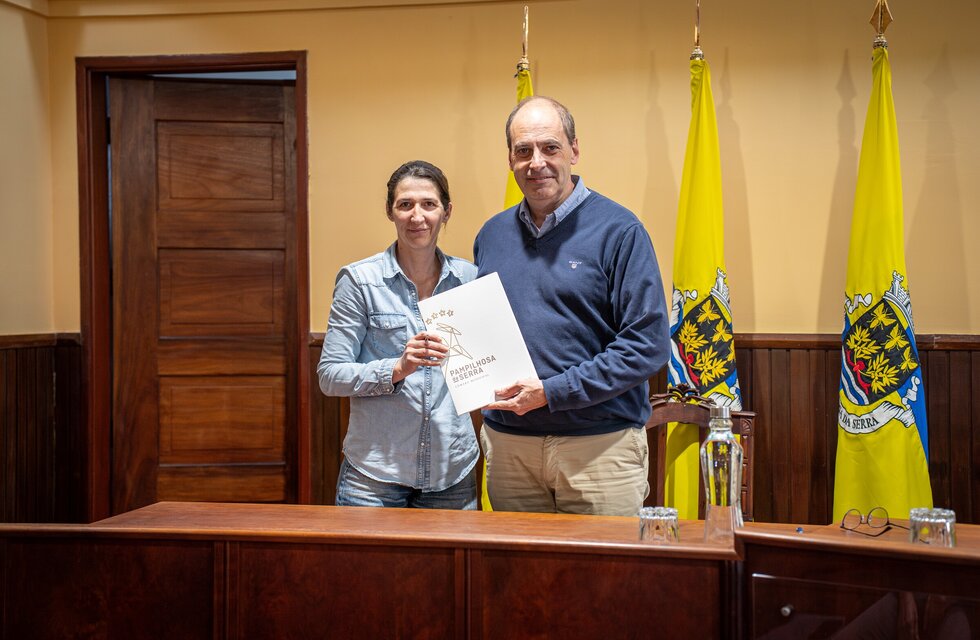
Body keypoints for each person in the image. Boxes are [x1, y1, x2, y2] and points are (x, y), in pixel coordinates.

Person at [473, 96, 670, 516]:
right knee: (515, 561)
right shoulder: (491, 235)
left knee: (603, 562)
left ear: (574, 150)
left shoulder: (620, 231)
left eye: (550, 147)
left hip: (600, 450)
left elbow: (647, 346)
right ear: (509, 159)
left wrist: (551, 393)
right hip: (510, 450)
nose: (536, 162)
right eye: (523, 151)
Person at [317, 160, 479, 509]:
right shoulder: (359, 281)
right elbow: (330, 376)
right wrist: (396, 368)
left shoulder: (470, 279)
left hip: (452, 472)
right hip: (374, 478)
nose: (417, 216)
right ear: (390, 212)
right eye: (405, 204)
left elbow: (485, 364)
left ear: (447, 211)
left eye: (428, 204)